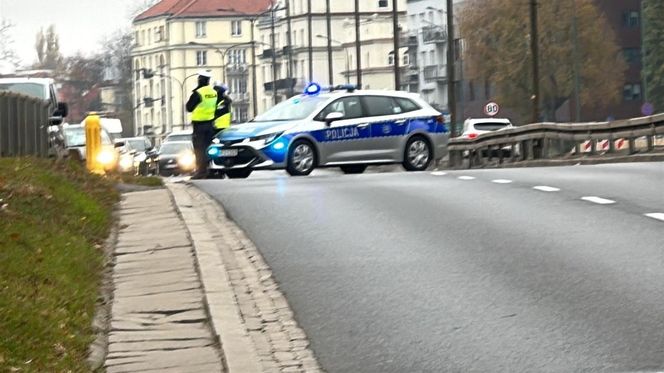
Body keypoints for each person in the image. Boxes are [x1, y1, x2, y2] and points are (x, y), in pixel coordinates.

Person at [186, 71, 218, 179]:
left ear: (200, 80)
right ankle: (210, 169)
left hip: (199, 125)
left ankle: (201, 171)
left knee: (199, 149)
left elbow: (189, 107)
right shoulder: (213, 92)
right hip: (210, 124)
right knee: (208, 148)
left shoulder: (198, 93)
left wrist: (195, 92)